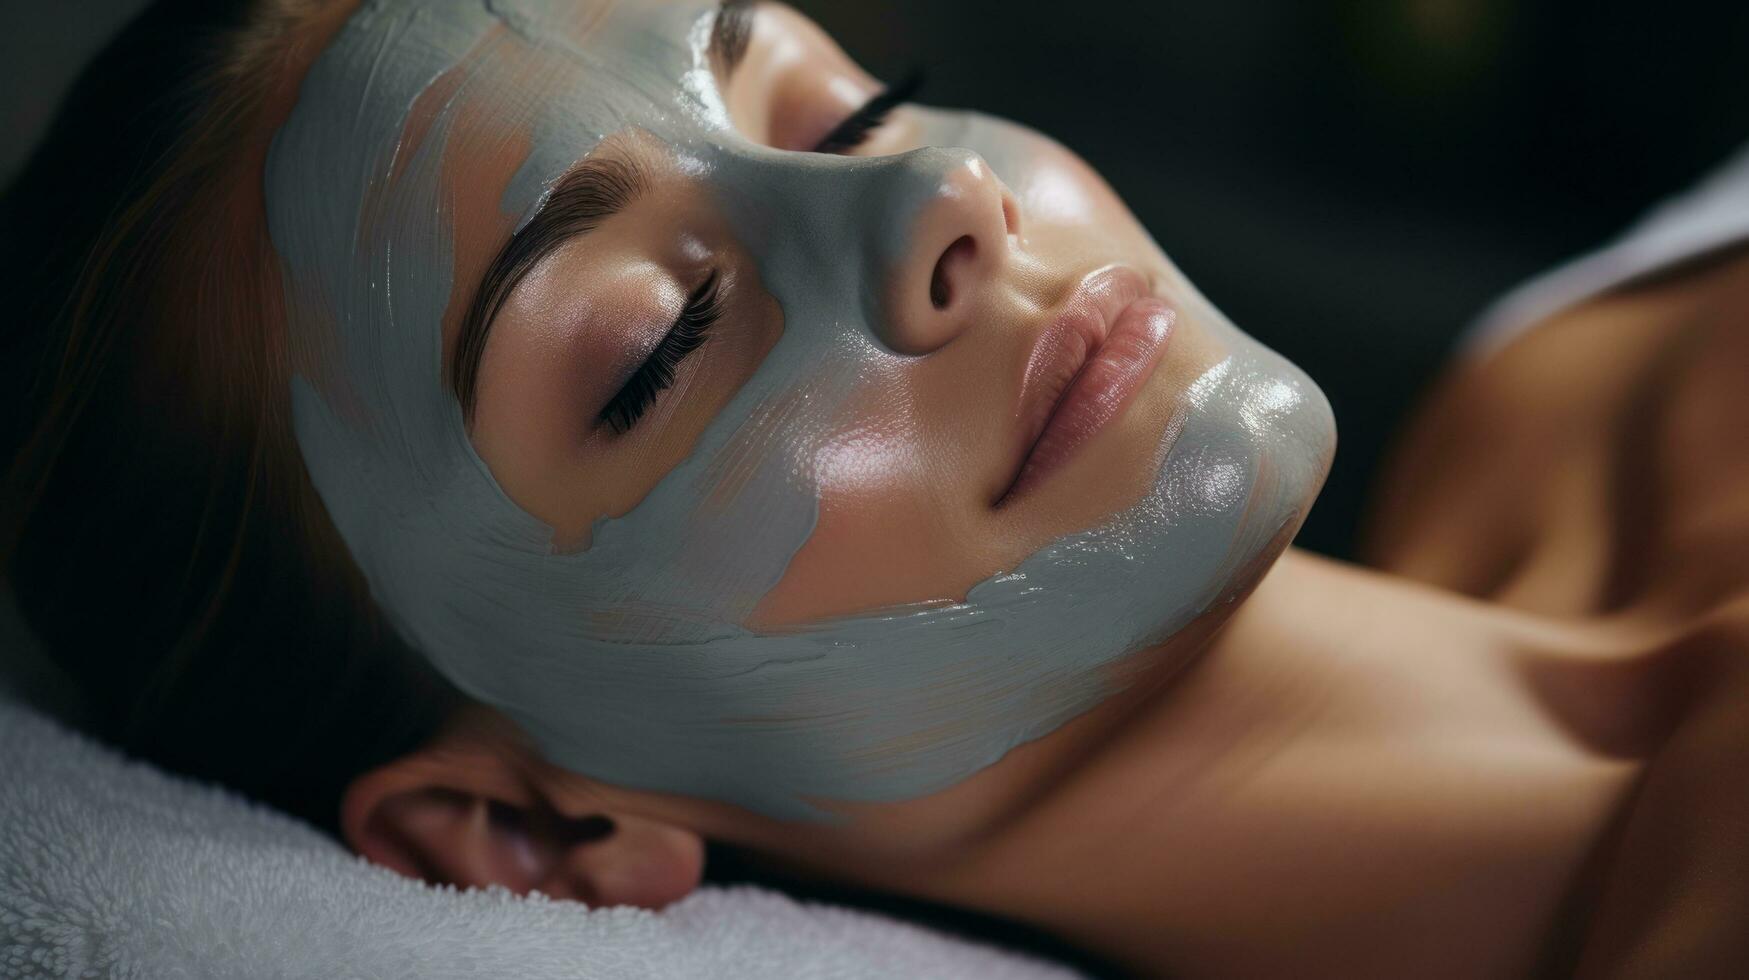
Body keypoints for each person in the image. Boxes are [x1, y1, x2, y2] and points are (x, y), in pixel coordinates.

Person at [3, 0, 1744, 975]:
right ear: (538, 836)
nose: (930, 209)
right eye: (657, 347)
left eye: (838, 113)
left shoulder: (1584, 380)